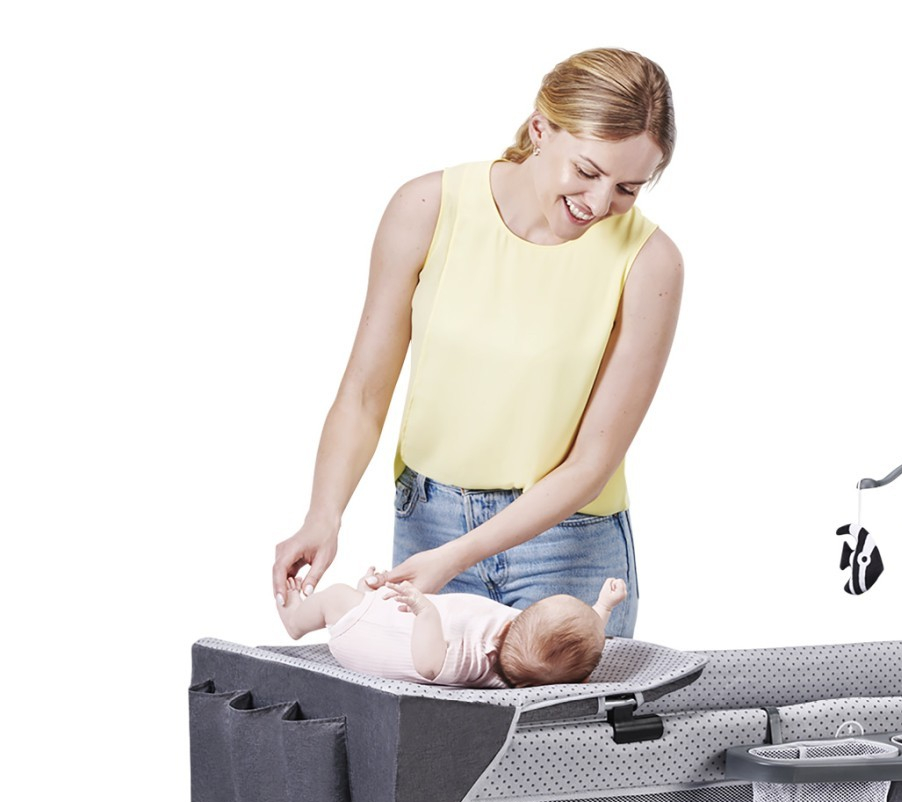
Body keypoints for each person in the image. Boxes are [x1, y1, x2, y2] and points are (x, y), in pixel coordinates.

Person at [272, 48, 682, 639]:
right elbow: (363, 395)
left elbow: (591, 464)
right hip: (429, 525)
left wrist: (459, 555)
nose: (598, 204)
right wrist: (323, 514)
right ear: (540, 129)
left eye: (627, 188)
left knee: (563, 709)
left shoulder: (650, 263)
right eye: (587, 171)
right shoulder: (427, 208)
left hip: (569, 546)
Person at [277, 568, 628, 688]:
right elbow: (584, 639)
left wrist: (425, 613)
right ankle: (368, 599)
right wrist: (604, 606)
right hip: (388, 627)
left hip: (365, 641)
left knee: (336, 596)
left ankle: (296, 620)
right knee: (364, 597)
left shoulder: (477, 660)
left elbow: (429, 665)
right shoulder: (537, 658)